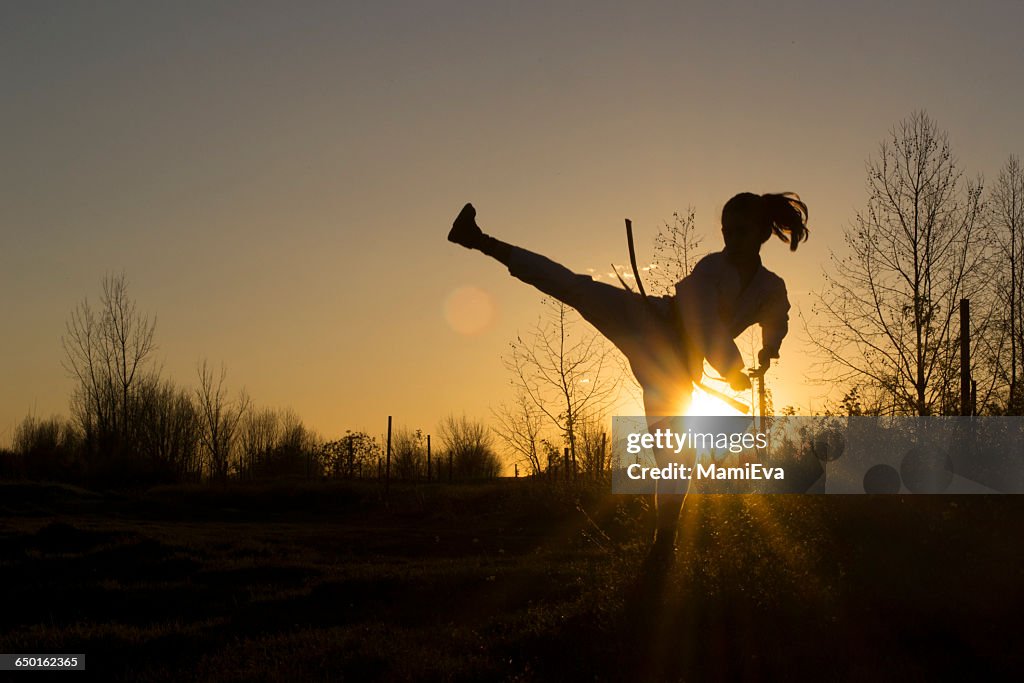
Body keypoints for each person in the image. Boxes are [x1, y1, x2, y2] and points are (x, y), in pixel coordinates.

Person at [448, 192, 809, 556]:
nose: (731, 238)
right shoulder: (712, 268)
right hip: (650, 323)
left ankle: (664, 542)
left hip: (673, 371)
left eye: (741, 231)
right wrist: (731, 369)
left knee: (675, 457)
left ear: (762, 234)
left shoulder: (770, 286)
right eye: (726, 230)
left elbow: (777, 317)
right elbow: (703, 321)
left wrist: (768, 349)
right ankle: (479, 240)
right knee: (577, 289)